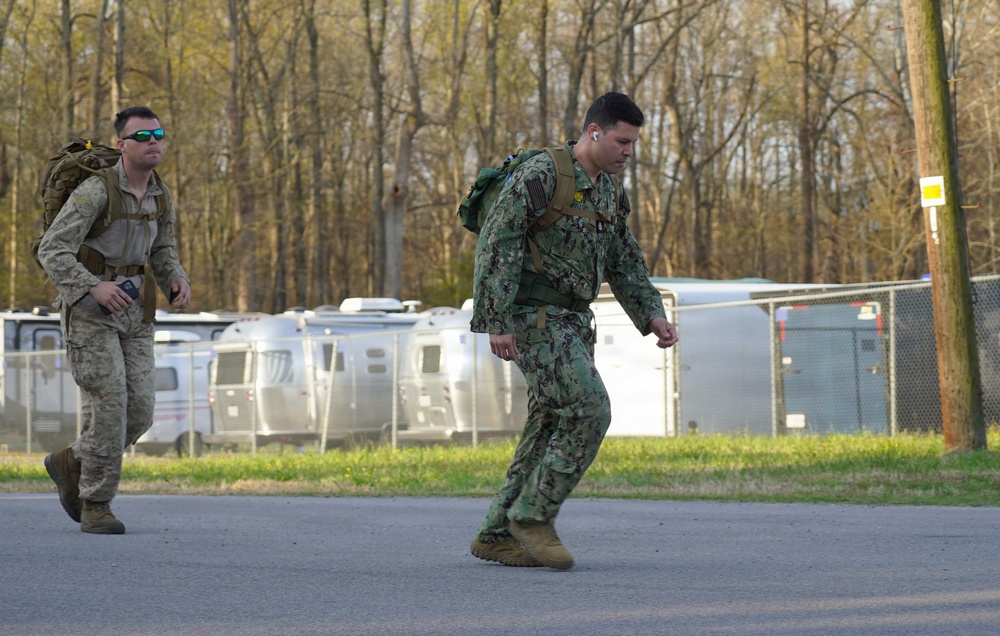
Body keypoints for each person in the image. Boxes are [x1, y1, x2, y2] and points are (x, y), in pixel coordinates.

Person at [468, 92, 678, 569]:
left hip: (574, 322)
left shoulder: (609, 190)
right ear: (594, 132)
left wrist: (651, 314)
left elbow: (623, 259)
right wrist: (495, 320)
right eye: (622, 141)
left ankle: (497, 533)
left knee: (547, 427)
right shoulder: (542, 174)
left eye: (634, 144)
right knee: (589, 409)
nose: (628, 152)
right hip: (532, 320)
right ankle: (534, 516)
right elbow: (496, 243)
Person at [39, 106, 191, 534]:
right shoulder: (96, 191)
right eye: (142, 136)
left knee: (139, 411)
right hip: (91, 313)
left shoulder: (161, 193)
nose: (153, 142)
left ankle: (73, 460)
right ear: (122, 145)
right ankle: (96, 504)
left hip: (136, 312)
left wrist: (175, 278)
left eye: (158, 133)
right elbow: (52, 249)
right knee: (108, 407)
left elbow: (162, 249)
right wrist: (91, 286)